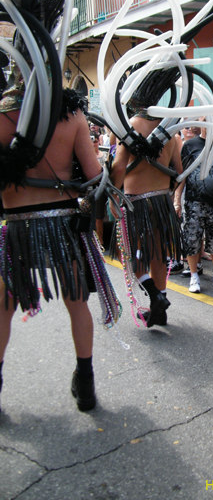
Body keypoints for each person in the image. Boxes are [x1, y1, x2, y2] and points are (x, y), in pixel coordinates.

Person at [0, 91, 106, 413]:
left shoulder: (2, 114)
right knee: (77, 303)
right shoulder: (71, 115)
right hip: (64, 225)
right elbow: (95, 177)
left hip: (16, 225)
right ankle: (85, 386)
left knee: (3, 308)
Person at [110, 108, 183, 328]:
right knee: (159, 254)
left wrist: (113, 195)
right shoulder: (171, 129)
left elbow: (119, 166)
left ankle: (155, 295)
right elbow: (179, 172)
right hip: (162, 200)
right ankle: (158, 310)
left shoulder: (129, 125)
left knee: (131, 255)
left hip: (136, 202)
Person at [174, 119, 213, 294]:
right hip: (194, 201)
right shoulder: (190, 145)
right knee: (192, 239)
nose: (210, 123)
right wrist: (177, 200)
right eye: (206, 120)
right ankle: (194, 276)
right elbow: (181, 174)